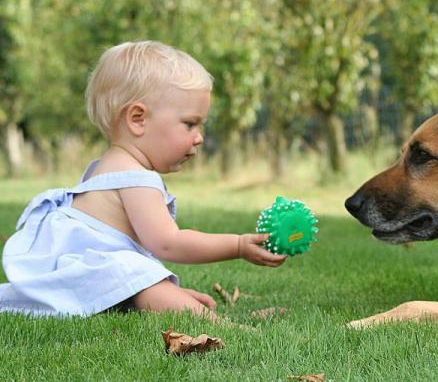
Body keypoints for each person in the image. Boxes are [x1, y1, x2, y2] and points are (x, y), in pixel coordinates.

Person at [0, 41, 286, 317]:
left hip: (79, 272)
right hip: (90, 271)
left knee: (143, 279)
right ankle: (223, 326)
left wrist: (166, 289)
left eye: (201, 124)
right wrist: (236, 245)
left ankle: (164, 297)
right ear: (138, 119)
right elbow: (168, 243)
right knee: (140, 277)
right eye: (189, 123)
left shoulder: (105, 165)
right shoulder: (136, 178)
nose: (199, 138)